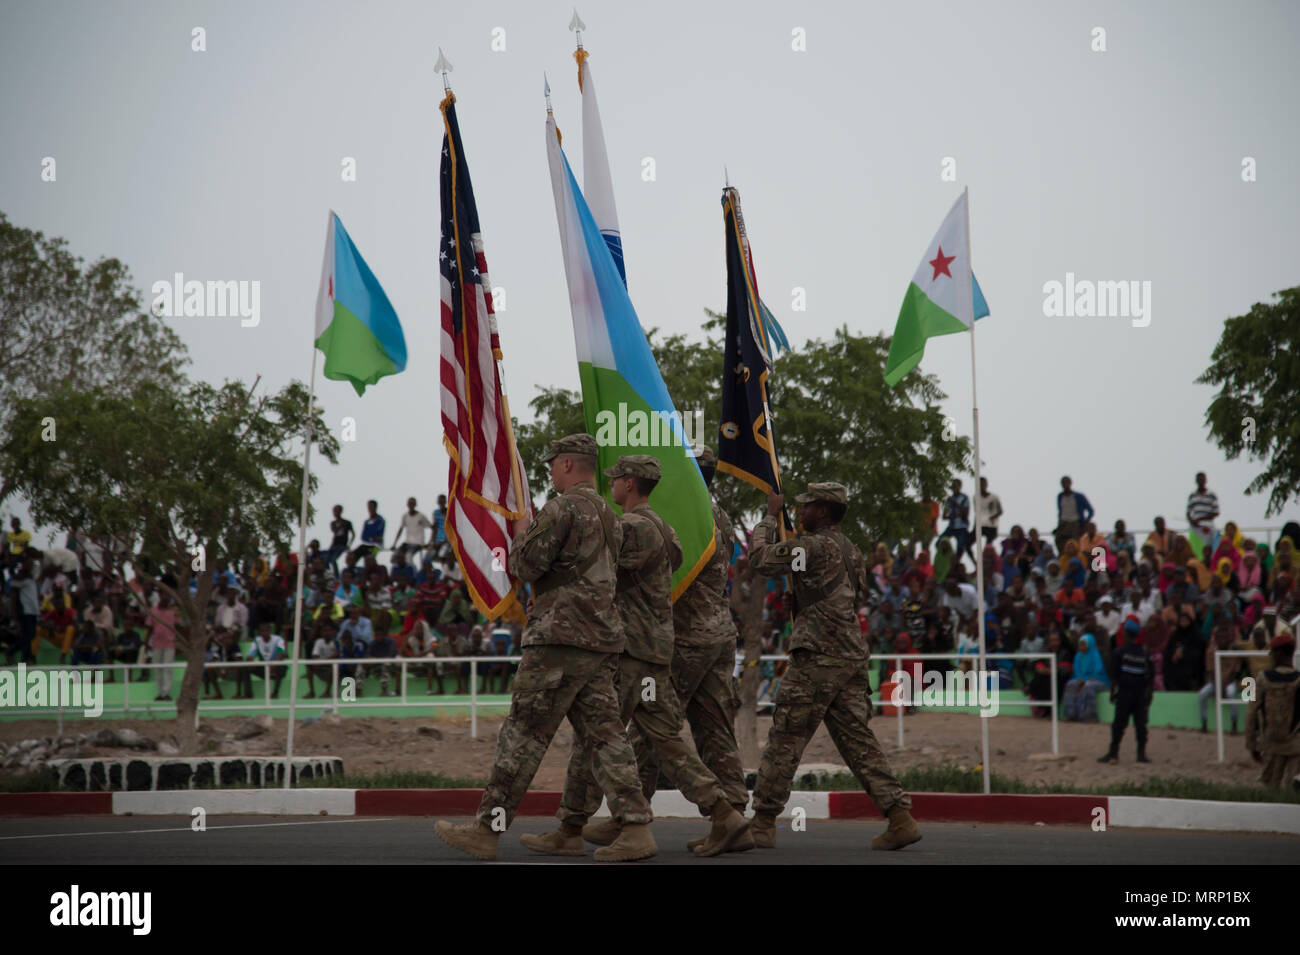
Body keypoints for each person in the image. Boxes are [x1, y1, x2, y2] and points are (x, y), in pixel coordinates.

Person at [434, 434, 656, 862]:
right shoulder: (612, 515)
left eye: (554, 464)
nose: (551, 471)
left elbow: (524, 564)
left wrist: (521, 532)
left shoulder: (562, 508)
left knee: (523, 735)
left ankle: (487, 829)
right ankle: (635, 827)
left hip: (558, 640)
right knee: (608, 739)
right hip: (599, 640)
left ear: (569, 464)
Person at [541, 454, 748, 858]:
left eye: (616, 478)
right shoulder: (667, 529)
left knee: (597, 734)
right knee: (665, 737)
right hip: (657, 651)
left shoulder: (633, 529)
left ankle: (578, 826)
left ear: (630, 483)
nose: (610, 484)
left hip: (632, 653)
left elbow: (596, 569)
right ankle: (724, 813)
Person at [748, 482, 921, 851]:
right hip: (849, 657)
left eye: (806, 507)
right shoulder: (852, 551)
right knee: (858, 742)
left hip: (817, 657)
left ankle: (762, 821)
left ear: (823, 511)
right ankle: (899, 816)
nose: (799, 512)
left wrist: (768, 516)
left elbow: (760, 560)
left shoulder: (812, 547)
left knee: (786, 737)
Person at [1244, 633, 1300, 789]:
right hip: (1295, 745)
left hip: (1270, 744)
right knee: (1293, 793)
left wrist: (1251, 743)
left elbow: (1251, 712)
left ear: (1279, 654)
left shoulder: (1262, 678)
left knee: (1269, 790)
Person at [1099, 616, 1154, 763]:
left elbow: (1114, 677)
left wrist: (1112, 693)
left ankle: (1113, 753)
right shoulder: (1145, 653)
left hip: (1124, 693)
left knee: (1118, 725)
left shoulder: (1119, 652)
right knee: (1140, 725)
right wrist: (1150, 695)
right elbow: (1150, 677)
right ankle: (1141, 754)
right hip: (1140, 694)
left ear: (1125, 633)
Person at [1063, 633, 1109, 722]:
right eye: (1080, 644)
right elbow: (1076, 671)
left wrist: (1086, 680)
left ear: (1090, 644)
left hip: (1097, 680)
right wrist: (1080, 679)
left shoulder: (1095, 655)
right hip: (1082, 679)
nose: (1081, 647)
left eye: (1084, 644)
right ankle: (1071, 714)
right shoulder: (1078, 656)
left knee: (1088, 686)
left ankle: (1088, 716)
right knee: (1071, 684)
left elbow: (1097, 671)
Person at [145, 593, 179, 701]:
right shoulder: (153, 610)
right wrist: (146, 642)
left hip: (170, 643)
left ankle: (166, 693)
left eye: (167, 597)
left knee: (167, 669)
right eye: (163, 596)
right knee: (157, 669)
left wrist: (178, 644)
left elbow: (178, 627)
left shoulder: (174, 611)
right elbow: (149, 627)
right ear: (160, 597)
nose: (165, 598)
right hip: (156, 644)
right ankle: (160, 693)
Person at [1053, 476, 1094, 554]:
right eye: (1063, 483)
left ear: (1070, 483)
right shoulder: (1060, 496)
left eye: (1066, 482)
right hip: (1063, 523)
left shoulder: (1079, 496)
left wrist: (1085, 524)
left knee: (1074, 544)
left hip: (1074, 523)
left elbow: (1090, 511)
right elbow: (1061, 511)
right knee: (1059, 541)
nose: (1065, 485)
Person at [939, 479, 974, 569]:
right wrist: (956, 515)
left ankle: (956, 564)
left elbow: (965, 514)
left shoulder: (964, 498)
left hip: (962, 527)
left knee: (961, 546)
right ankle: (947, 561)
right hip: (951, 527)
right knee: (939, 542)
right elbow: (944, 516)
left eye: (956, 486)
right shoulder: (949, 499)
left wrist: (955, 504)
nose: (954, 488)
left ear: (959, 487)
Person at [1186, 472, 1220, 550]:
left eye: (1202, 479)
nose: (1201, 481)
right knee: (1196, 548)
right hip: (1195, 526)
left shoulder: (1212, 494)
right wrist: (1192, 521)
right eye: (1199, 479)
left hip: (1208, 526)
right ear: (1196, 481)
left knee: (1210, 547)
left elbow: (1216, 512)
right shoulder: (1192, 495)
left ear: (1205, 480)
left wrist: (1201, 519)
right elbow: (1188, 512)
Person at [392, 497, 433, 562]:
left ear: (415, 505)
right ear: (407, 505)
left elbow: (432, 527)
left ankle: (412, 571)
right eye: (410, 503)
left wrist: (429, 542)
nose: (411, 505)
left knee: (408, 556)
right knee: (395, 557)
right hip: (407, 542)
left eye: (412, 504)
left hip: (418, 543)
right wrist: (394, 544)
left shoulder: (421, 516)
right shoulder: (405, 516)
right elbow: (400, 529)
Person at [975, 477, 1002, 546]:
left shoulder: (994, 497)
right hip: (981, 525)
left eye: (983, 484)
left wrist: (992, 517)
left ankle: (984, 555)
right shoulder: (976, 497)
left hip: (991, 526)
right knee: (968, 542)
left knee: (988, 545)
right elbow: (977, 513)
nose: (982, 486)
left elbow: (1000, 511)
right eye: (980, 484)